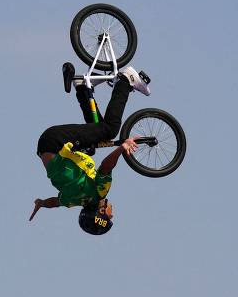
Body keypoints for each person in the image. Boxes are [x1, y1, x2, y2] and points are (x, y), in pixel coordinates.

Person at [28, 65, 150, 235]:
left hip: (57, 142)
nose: (112, 214)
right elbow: (54, 202)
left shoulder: (99, 192)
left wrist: (122, 147)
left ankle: (125, 81)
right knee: (98, 137)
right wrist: (41, 203)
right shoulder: (73, 200)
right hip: (46, 147)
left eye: (110, 217)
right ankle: (82, 88)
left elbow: (106, 166)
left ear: (100, 213)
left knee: (110, 129)